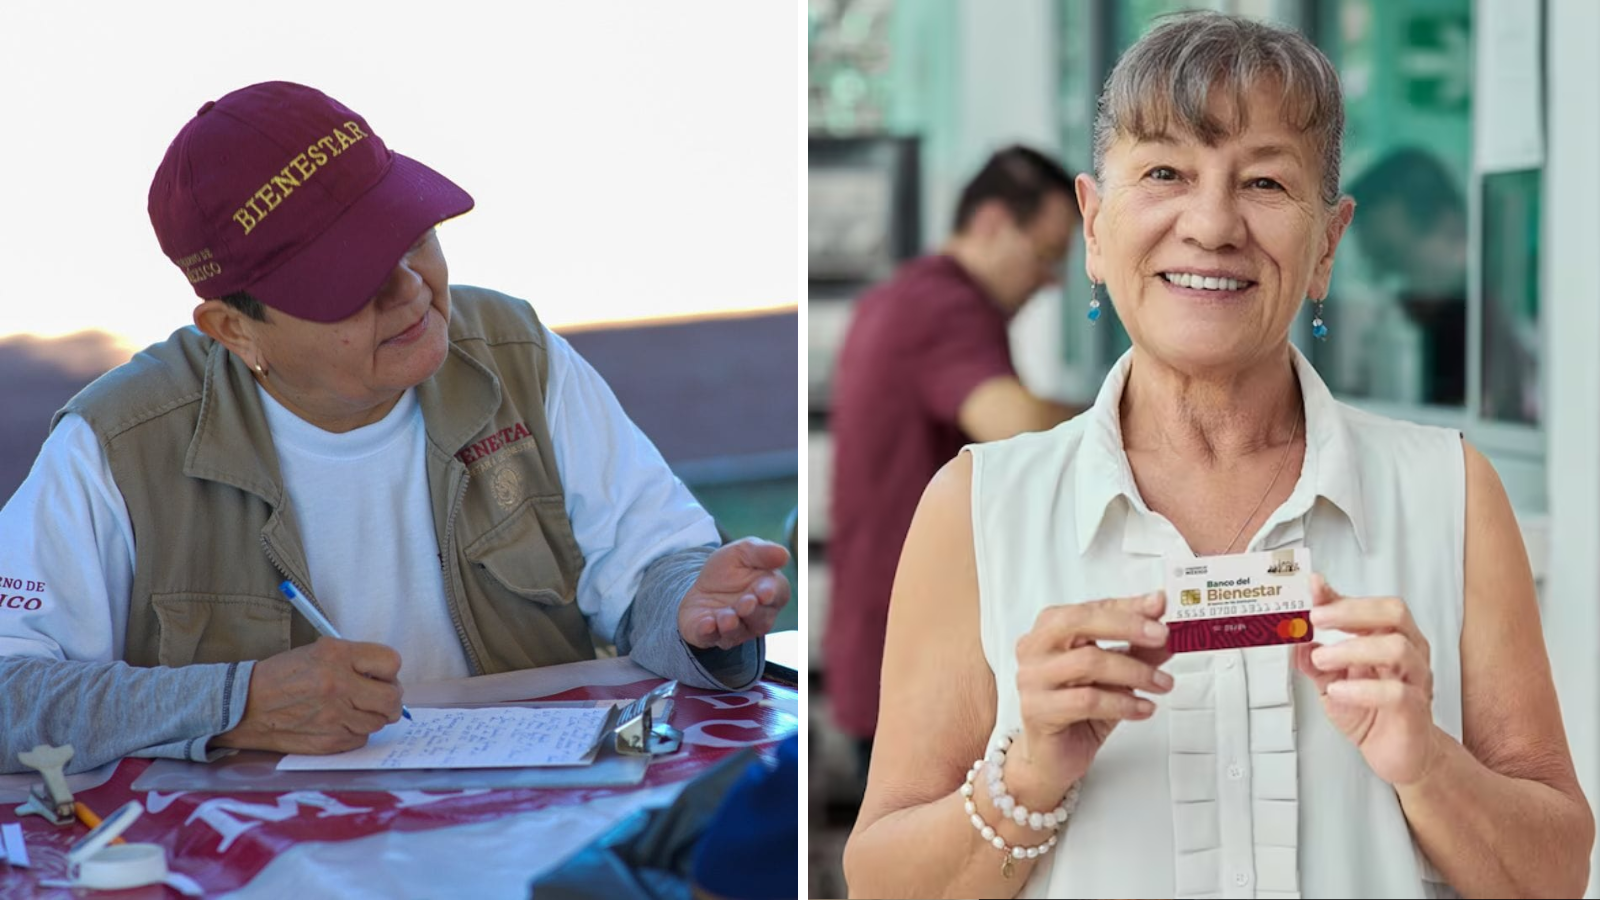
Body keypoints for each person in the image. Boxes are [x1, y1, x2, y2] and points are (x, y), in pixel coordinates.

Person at [845, 12, 1591, 899]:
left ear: (1328, 244)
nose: (1212, 223)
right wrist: (1029, 773)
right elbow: (880, 881)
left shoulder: (1450, 491)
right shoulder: (977, 506)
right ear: (1093, 225)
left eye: (1267, 183)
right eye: (1164, 172)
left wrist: (1425, 761)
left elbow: (1556, 873)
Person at [0, 81, 789, 773]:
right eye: (350, 282)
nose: (412, 290)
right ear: (233, 329)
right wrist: (228, 704)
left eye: (414, 236)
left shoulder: (516, 355)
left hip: (527, 842)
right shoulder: (116, 443)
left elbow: (657, 570)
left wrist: (694, 611)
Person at [824, 145, 1082, 776]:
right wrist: (1137, 407)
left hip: (881, 642)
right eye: (1046, 255)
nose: (1052, 280)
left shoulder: (897, 297)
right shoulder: (945, 306)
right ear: (993, 223)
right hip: (919, 664)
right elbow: (1014, 425)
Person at [1345, 147, 1534, 420]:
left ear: (1452, 231)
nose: (1385, 286)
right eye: (1375, 266)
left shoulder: (1482, 336)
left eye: (1394, 258)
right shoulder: (1424, 326)